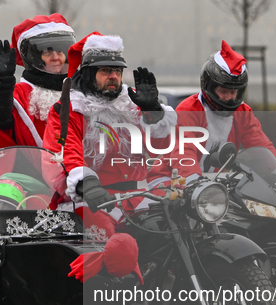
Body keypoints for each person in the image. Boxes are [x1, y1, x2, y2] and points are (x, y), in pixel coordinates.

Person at [43, 32, 176, 232]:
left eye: (117, 71)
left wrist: (154, 113)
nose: (114, 76)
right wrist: (86, 184)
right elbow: (62, 154)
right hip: (89, 202)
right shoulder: (69, 109)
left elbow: (161, 148)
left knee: (172, 235)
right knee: (115, 248)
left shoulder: (131, 105)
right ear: (88, 74)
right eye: (105, 70)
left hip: (136, 200)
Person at [147, 40, 276, 188]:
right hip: (172, 180)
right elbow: (184, 153)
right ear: (208, 86)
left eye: (233, 92)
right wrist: (194, 181)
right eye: (223, 91)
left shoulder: (243, 112)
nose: (229, 98)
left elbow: (261, 147)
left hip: (215, 184)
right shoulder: (189, 109)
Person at [0, 13, 75, 150]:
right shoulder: (20, 94)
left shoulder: (78, 90)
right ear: (35, 57)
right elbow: (0, 120)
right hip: (29, 168)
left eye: (60, 51)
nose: (56, 57)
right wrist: (3, 84)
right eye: (48, 52)